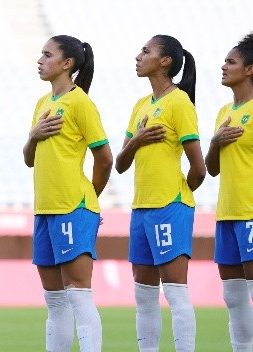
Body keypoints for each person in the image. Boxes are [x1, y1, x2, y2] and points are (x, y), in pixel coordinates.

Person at [115, 35, 206, 351]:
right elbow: (121, 164)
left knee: (176, 291)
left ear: (165, 61)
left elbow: (199, 169)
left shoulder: (179, 102)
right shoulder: (141, 106)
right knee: (143, 294)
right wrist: (136, 141)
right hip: (141, 208)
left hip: (169, 206)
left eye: (146, 51)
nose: (139, 56)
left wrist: (176, 197)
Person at [23, 35, 113, 352]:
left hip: (72, 208)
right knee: (55, 301)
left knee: (78, 293)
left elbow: (105, 158)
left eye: (47, 55)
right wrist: (33, 136)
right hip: (45, 210)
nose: (40, 60)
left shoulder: (80, 103)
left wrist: (90, 200)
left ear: (67, 64)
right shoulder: (42, 104)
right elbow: (29, 158)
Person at [205, 32, 253, 351]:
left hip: (251, 213)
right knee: (233, 297)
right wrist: (215, 142)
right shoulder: (224, 113)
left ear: (249, 69)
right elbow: (213, 168)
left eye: (231, 62)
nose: (224, 66)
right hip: (227, 214)